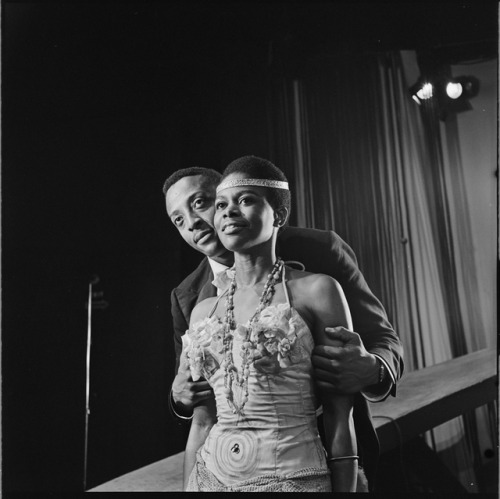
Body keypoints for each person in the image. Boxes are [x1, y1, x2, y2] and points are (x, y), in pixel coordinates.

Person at [164, 158, 404, 490]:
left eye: (201, 203)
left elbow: (381, 336)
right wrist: (179, 397)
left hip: (314, 462)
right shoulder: (188, 297)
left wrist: (374, 370)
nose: (192, 222)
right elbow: (196, 398)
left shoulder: (320, 254)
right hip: (220, 470)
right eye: (178, 218)